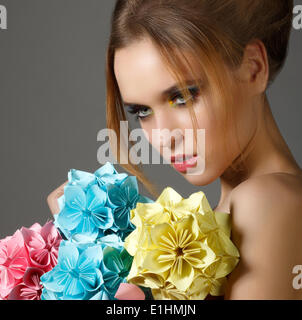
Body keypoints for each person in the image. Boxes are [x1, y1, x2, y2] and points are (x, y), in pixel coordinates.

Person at [47, 0, 302, 299]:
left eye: (183, 97)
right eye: (142, 111)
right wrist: (101, 244)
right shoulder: (235, 212)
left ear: (253, 68)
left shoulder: (268, 201)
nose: (163, 137)